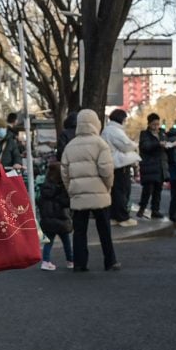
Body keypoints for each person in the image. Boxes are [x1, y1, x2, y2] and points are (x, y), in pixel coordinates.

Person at [60, 109, 118, 271]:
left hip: (78, 194)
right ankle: (110, 260)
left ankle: (79, 263)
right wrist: (107, 187)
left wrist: (71, 189)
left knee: (79, 231)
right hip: (100, 193)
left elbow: (64, 173)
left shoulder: (70, 146)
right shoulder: (100, 144)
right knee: (104, 229)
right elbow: (106, 170)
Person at [101, 109, 141, 227]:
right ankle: (122, 217)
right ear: (121, 119)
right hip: (119, 164)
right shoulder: (115, 131)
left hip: (111, 163)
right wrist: (135, 144)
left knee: (115, 192)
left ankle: (114, 216)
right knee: (122, 191)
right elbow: (126, 145)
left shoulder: (108, 130)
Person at [37, 161, 74, 271]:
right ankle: (70, 260)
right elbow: (65, 202)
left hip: (48, 219)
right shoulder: (62, 187)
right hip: (61, 218)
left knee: (49, 242)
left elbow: (40, 201)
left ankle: (45, 261)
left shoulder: (44, 186)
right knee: (66, 241)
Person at [136, 112, 168, 220]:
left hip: (160, 166)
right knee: (148, 189)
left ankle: (155, 210)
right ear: (149, 124)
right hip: (149, 165)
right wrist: (158, 144)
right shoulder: (144, 134)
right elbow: (145, 146)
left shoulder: (162, 133)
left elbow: (166, 145)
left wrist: (170, 145)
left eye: (158, 124)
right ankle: (142, 208)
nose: (156, 127)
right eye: (154, 124)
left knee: (158, 189)